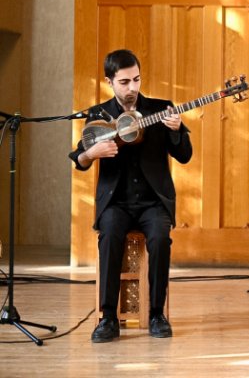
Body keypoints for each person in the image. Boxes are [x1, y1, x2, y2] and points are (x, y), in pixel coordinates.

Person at [70, 49, 193, 343]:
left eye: (136, 80)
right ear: (109, 81)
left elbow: (185, 156)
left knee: (160, 239)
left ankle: (157, 315)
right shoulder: (98, 115)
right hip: (116, 203)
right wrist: (92, 153)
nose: (132, 88)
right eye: (124, 82)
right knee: (109, 236)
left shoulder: (161, 109)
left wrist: (176, 131)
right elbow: (79, 159)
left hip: (154, 202)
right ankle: (108, 318)